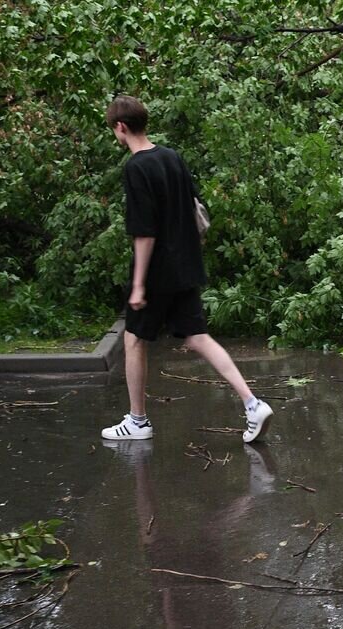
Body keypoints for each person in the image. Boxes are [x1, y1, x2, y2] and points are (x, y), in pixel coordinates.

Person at [101, 94, 272, 443]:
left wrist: (137, 284)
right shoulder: (172, 157)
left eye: (114, 130)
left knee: (134, 339)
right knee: (198, 337)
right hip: (186, 265)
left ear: (121, 127)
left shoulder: (136, 168)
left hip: (156, 273)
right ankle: (252, 404)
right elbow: (195, 209)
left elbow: (144, 231)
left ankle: (137, 421)